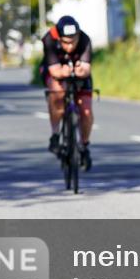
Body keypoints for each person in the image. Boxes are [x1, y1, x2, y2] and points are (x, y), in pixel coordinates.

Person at [41, 16, 94, 170]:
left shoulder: (85, 40)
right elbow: (55, 71)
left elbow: (85, 70)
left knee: (86, 110)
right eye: (65, 42)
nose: (70, 47)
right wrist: (63, 72)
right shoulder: (49, 39)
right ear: (59, 38)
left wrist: (79, 71)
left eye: (73, 41)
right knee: (57, 92)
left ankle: (84, 146)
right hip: (54, 70)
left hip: (77, 73)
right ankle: (56, 134)